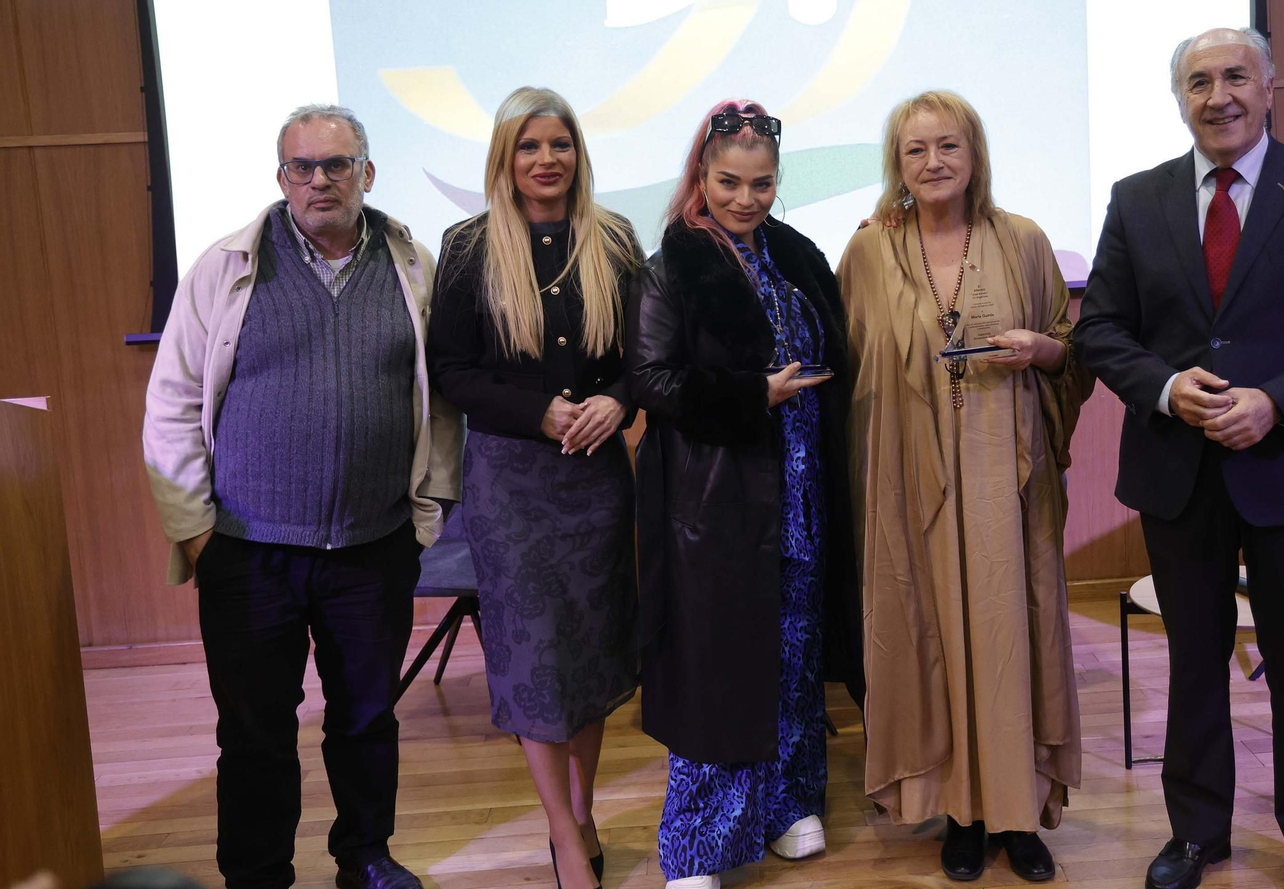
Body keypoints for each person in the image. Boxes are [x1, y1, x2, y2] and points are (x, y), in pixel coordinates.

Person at [1074, 28, 1284, 889]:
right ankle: (1196, 833)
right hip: (1177, 470)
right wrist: (1165, 385)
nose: (1217, 96)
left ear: (1268, 86)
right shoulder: (1136, 198)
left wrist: (1277, 401)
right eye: (1197, 82)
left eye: (1234, 77)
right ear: (1179, 98)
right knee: (1193, 660)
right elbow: (1100, 328)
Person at [142, 104, 464, 889]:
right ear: (281, 176)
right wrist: (196, 534)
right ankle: (257, 875)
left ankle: (365, 856)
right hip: (248, 552)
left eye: (337, 164)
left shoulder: (413, 264)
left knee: (366, 720)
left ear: (367, 173)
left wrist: (425, 517)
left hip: (372, 548)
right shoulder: (226, 267)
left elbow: (442, 402)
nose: (320, 180)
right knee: (254, 732)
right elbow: (173, 403)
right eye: (302, 166)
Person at [837, 89, 1094, 884]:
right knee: (929, 636)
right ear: (897, 164)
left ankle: (1019, 812)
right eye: (915, 150)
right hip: (906, 487)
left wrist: (1042, 354)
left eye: (948, 146)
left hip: (1006, 487)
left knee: (1012, 634)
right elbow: (846, 371)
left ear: (974, 154)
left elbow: (1070, 351)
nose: (933, 162)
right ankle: (957, 809)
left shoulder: (1022, 241)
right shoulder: (869, 250)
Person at [627, 99, 863, 889]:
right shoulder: (672, 266)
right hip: (717, 501)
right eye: (729, 181)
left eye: (762, 184)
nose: (745, 198)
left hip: (800, 490)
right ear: (701, 173)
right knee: (720, 667)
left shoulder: (793, 254)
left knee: (795, 656)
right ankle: (697, 847)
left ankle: (788, 804)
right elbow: (651, 380)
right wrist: (748, 395)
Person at [427, 86, 642, 889]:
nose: (546, 159)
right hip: (511, 484)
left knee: (587, 656)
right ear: (504, 158)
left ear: (578, 154)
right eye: (529, 145)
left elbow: (643, 359)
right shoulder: (469, 247)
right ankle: (561, 832)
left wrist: (621, 399)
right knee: (534, 661)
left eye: (560, 144)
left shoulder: (616, 240)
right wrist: (537, 412)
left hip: (595, 482)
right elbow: (450, 370)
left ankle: (582, 811)